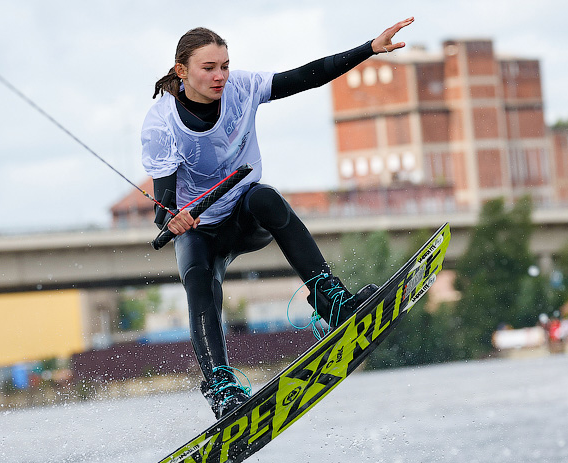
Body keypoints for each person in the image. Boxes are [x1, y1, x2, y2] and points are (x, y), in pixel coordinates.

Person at [141, 18, 414, 419]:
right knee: (199, 279)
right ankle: (221, 386)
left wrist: (368, 48)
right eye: (209, 68)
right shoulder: (161, 123)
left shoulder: (242, 88)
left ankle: (331, 301)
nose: (220, 76)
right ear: (182, 71)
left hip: (243, 219)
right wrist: (171, 218)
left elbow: (307, 76)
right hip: (200, 232)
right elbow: (162, 203)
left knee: (265, 197)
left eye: (225, 65)